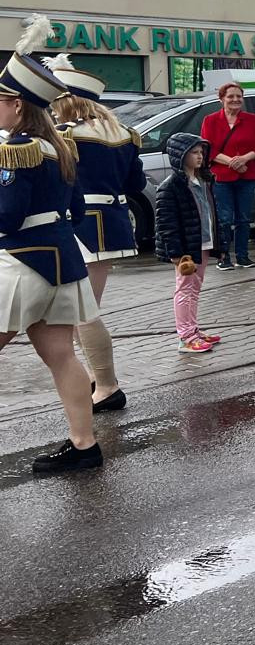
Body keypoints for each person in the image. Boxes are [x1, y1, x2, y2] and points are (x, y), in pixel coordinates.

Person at [0, 28, 104, 474]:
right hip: (64, 263)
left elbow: (6, 218)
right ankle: (85, 445)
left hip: (21, 262)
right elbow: (77, 211)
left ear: (17, 105)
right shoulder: (61, 147)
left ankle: (84, 445)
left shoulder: (17, 150)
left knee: (60, 355)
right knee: (62, 355)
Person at [47, 58, 145, 411]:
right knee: (80, 308)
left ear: (67, 101)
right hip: (113, 221)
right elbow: (137, 183)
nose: (52, 110)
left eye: (55, 103)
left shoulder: (66, 134)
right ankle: (95, 378)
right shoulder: (125, 134)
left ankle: (106, 385)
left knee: (83, 310)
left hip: (80, 224)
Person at [156, 134, 219, 356]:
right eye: (194, 152)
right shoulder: (171, 186)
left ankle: (193, 329)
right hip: (187, 248)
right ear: (180, 155)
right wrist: (176, 253)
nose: (200, 156)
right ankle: (185, 336)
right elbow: (167, 223)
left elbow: (211, 212)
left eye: (201, 152)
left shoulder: (203, 181)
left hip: (202, 241)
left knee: (195, 288)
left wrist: (218, 242)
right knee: (185, 289)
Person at [199, 81, 255, 270]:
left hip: (247, 175)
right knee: (224, 219)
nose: (235, 99)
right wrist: (232, 162)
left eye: (239, 96)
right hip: (221, 177)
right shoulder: (210, 120)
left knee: (243, 219)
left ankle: (243, 257)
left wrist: (244, 159)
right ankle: (223, 257)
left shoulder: (254, 120)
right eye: (230, 96)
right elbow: (207, 148)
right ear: (221, 99)